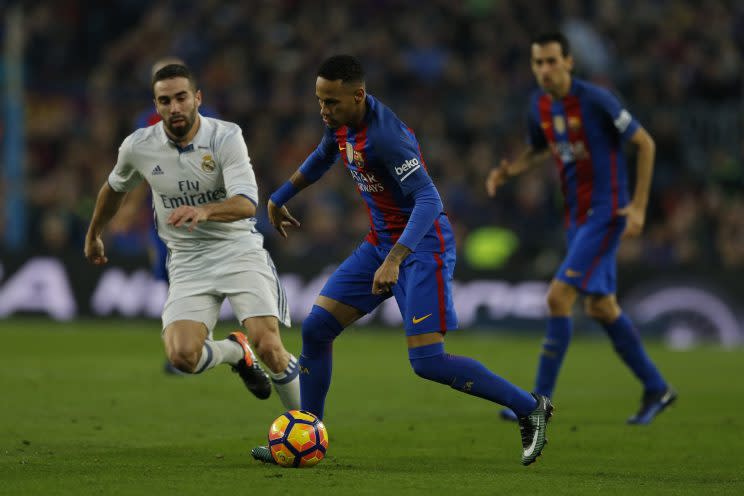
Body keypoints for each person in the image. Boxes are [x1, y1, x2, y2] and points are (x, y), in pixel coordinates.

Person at [250, 55, 553, 467]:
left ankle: (528, 406)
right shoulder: (340, 121)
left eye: (332, 102)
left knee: (428, 362)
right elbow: (326, 152)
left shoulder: (387, 138)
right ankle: (307, 433)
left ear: (358, 95)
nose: (324, 110)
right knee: (318, 328)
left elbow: (430, 200)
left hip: (422, 248)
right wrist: (281, 195)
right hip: (381, 244)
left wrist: (395, 258)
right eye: (320, 101)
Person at [84, 63, 301, 411]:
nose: (175, 107)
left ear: (197, 98)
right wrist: (95, 232)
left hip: (238, 250)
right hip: (188, 260)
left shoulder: (225, 137)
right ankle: (234, 352)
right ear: (156, 106)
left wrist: (205, 211)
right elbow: (113, 189)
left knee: (270, 347)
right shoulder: (138, 146)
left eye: (181, 97)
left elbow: (247, 203)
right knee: (182, 356)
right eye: (165, 100)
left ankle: (305, 425)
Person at [485, 32, 676, 425]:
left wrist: (638, 208)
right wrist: (510, 171)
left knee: (558, 298)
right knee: (601, 307)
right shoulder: (538, 105)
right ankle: (657, 387)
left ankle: (539, 402)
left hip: (607, 212)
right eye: (538, 63)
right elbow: (539, 150)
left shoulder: (596, 99)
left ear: (569, 62)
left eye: (552, 61)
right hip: (576, 217)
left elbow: (645, 143)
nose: (545, 70)